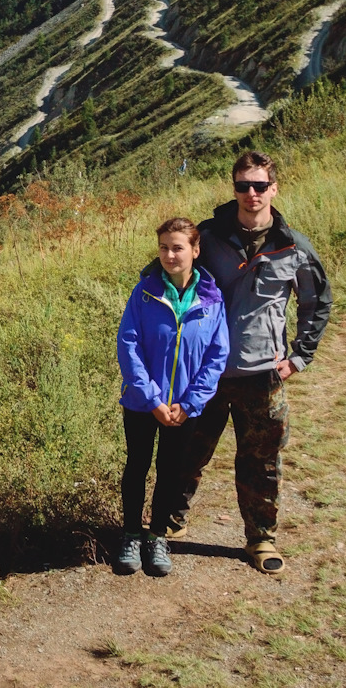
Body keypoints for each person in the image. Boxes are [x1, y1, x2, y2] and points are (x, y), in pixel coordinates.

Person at [163, 151, 332, 574]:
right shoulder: (208, 236)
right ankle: (169, 522)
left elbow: (317, 302)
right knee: (187, 451)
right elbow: (164, 281)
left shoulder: (292, 246)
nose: (251, 193)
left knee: (261, 461)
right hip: (206, 373)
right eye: (243, 185)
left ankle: (261, 539)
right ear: (233, 188)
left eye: (259, 185)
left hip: (262, 375)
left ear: (274, 188)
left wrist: (299, 357)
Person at [114, 216, 229, 578]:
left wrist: (190, 402)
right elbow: (128, 345)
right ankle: (131, 534)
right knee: (137, 466)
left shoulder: (211, 299)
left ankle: (157, 536)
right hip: (141, 403)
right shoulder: (144, 292)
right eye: (163, 247)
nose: (169, 254)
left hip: (184, 408)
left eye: (177, 247)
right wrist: (152, 398)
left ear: (195, 250)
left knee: (171, 471)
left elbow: (217, 354)